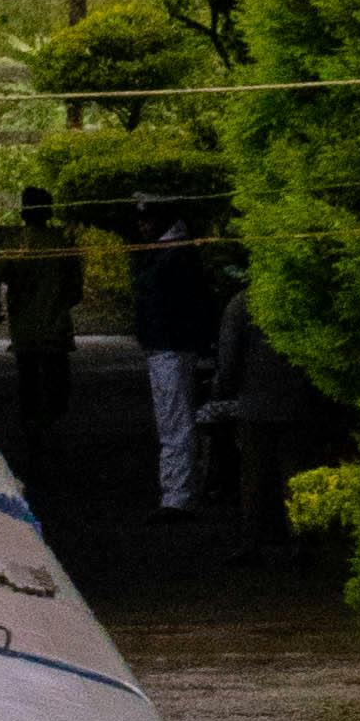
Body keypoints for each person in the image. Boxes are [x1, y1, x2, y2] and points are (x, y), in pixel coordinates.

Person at [132, 212, 227, 517]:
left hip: (170, 346)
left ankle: (178, 494)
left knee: (175, 420)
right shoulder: (175, 255)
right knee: (177, 418)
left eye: (147, 219)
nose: (141, 226)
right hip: (169, 345)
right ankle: (182, 489)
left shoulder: (172, 258)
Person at [0, 184, 85, 472]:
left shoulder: (14, 246)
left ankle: (33, 437)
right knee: (58, 389)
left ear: (23, 213)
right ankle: (51, 433)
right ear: (49, 212)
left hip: (24, 332)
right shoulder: (62, 245)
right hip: (56, 330)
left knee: (29, 386)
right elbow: (76, 291)